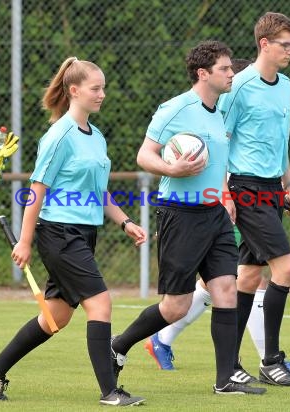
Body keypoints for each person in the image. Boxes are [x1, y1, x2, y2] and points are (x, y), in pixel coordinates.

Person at [0, 57, 147, 406]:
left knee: (57, 315)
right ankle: (109, 392)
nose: (102, 94)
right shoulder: (59, 135)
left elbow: (99, 192)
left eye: (103, 88)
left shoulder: (96, 136)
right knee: (100, 303)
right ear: (74, 91)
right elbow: (36, 190)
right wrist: (25, 240)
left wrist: (125, 221)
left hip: (83, 233)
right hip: (58, 232)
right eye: (95, 88)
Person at [111, 40, 266, 396]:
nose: (232, 74)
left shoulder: (221, 110)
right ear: (203, 73)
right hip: (179, 214)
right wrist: (171, 168)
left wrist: (225, 195)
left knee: (226, 289)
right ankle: (119, 344)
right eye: (225, 69)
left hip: (214, 213)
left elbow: (220, 162)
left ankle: (225, 378)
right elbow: (144, 155)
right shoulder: (175, 109)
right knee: (176, 306)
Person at [144, 58, 290, 377]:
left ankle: (258, 359)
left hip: (253, 193)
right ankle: (266, 359)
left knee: (242, 278)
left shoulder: (266, 89)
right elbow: (223, 148)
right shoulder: (224, 99)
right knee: (229, 280)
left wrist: (287, 185)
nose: (232, 76)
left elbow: (271, 145)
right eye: (226, 71)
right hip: (232, 195)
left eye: (233, 71)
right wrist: (227, 192)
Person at [220, 12, 290, 386]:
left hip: (274, 189)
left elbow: (280, 142)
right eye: (284, 44)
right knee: (285, 269)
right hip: (245, 188)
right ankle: (271, 362)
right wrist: (224, 192)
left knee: (249, 276)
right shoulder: (239, 85)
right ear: (264, 44)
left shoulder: (285, 85)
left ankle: (230, 365)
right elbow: (218, 138)